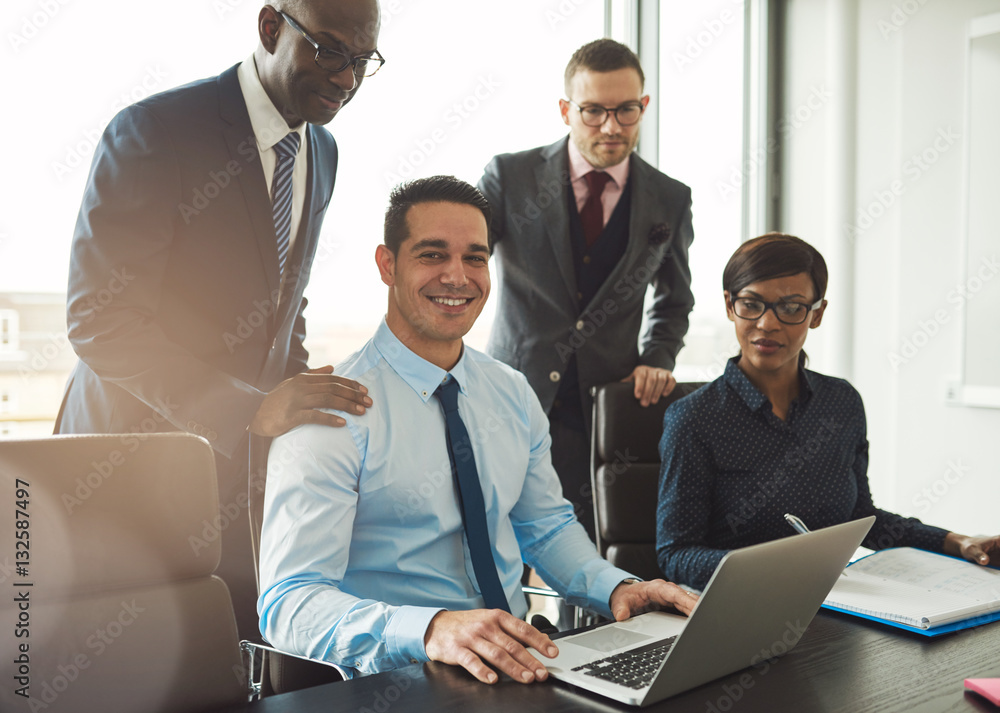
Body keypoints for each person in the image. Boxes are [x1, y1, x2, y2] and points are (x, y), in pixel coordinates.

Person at [257, 176, 698, 683]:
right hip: (400, 681)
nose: (457, 276)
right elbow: (289, 605)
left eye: (474, 257)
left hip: (520, 667)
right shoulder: (333, 413)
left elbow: (546, 528)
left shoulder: (511, 392)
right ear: (387, 265)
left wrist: (618, 588)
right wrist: (430, 629)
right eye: (431, 255)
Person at [53, 0, 383, 638]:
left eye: (362, 61)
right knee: (121, 662)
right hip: (128, 456)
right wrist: (246, 409)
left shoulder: (325, 148)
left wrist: (302, 408)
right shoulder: (155, 131)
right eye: (331, 51)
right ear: (269, 28)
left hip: (235, 467)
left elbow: (287, 299)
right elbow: (100, 318)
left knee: (226, 653)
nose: (346, 78)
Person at [655, 233, 1000, 590]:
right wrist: (776, 566)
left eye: (790, 307)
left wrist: (958, 541)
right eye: (751, 303)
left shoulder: (842, 402)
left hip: (834, 605)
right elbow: (676, 554)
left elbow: (861, 518)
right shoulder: (694, 418)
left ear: (816, 314)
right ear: (730, 306)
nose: (767, 324)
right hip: (737, 608)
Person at [478, 39, 695, 538]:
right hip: (512, 396)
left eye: (625, 110)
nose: (611, 126)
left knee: (586, 549)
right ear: (566, 110)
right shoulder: (509, 177)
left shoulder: (670, 197)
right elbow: (468, 263)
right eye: (594, 111)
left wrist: (657, 359)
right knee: (494, 549)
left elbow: (675, 297)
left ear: (644, 106)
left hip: (603, 409)